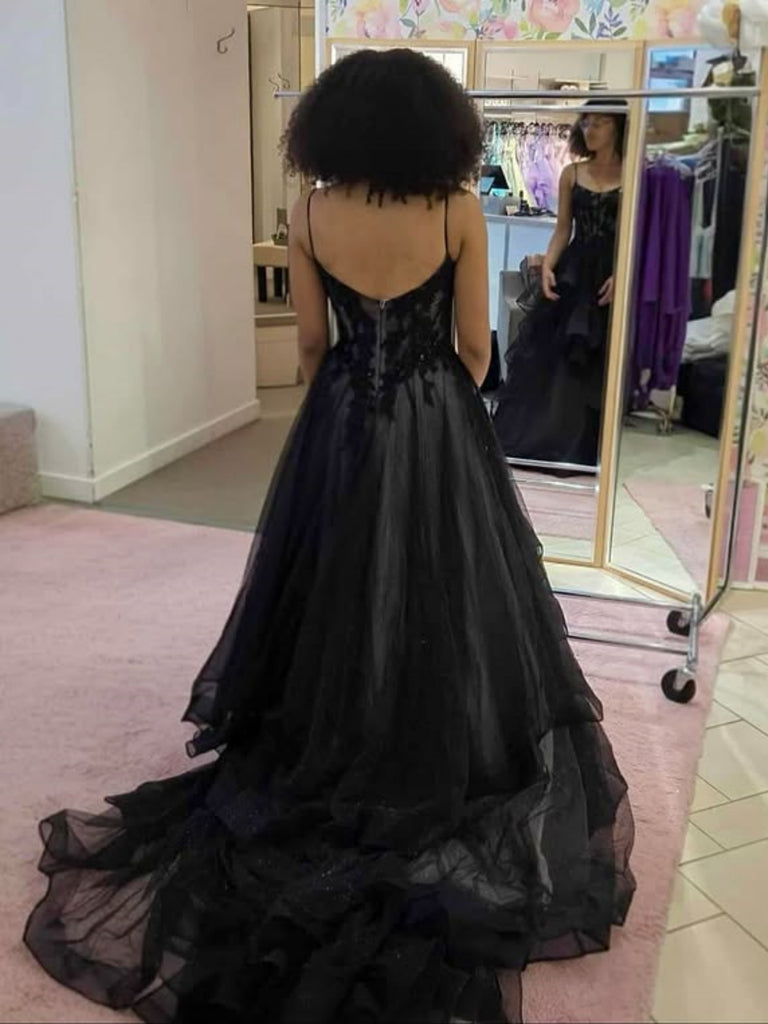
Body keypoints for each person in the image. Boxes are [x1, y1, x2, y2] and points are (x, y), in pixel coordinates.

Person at [24, 52, 635, 1024]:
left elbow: (312, 345)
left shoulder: (308, 211)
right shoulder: (455, 208)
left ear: (333, 128)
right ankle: (429, 734)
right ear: (436, 128)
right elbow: (477, 348)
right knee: (445, 579)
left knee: (335, 581)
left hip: (343, 414)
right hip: (435, 412)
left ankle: (334, 727)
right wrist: (445, 403)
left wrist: (339, 414)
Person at [493, 99, 627, 470]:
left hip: (612, 273)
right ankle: (551, 440)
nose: (590, 130)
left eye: (599, 123)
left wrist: (624, 273)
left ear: (618, 126)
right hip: (575, 269)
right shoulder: (571, 173)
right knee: (558, 358)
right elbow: (562, 229)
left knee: (599, 358)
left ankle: (589, 446)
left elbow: (638, 233)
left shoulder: (635, 176)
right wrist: (549, 264)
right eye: (586, 122)